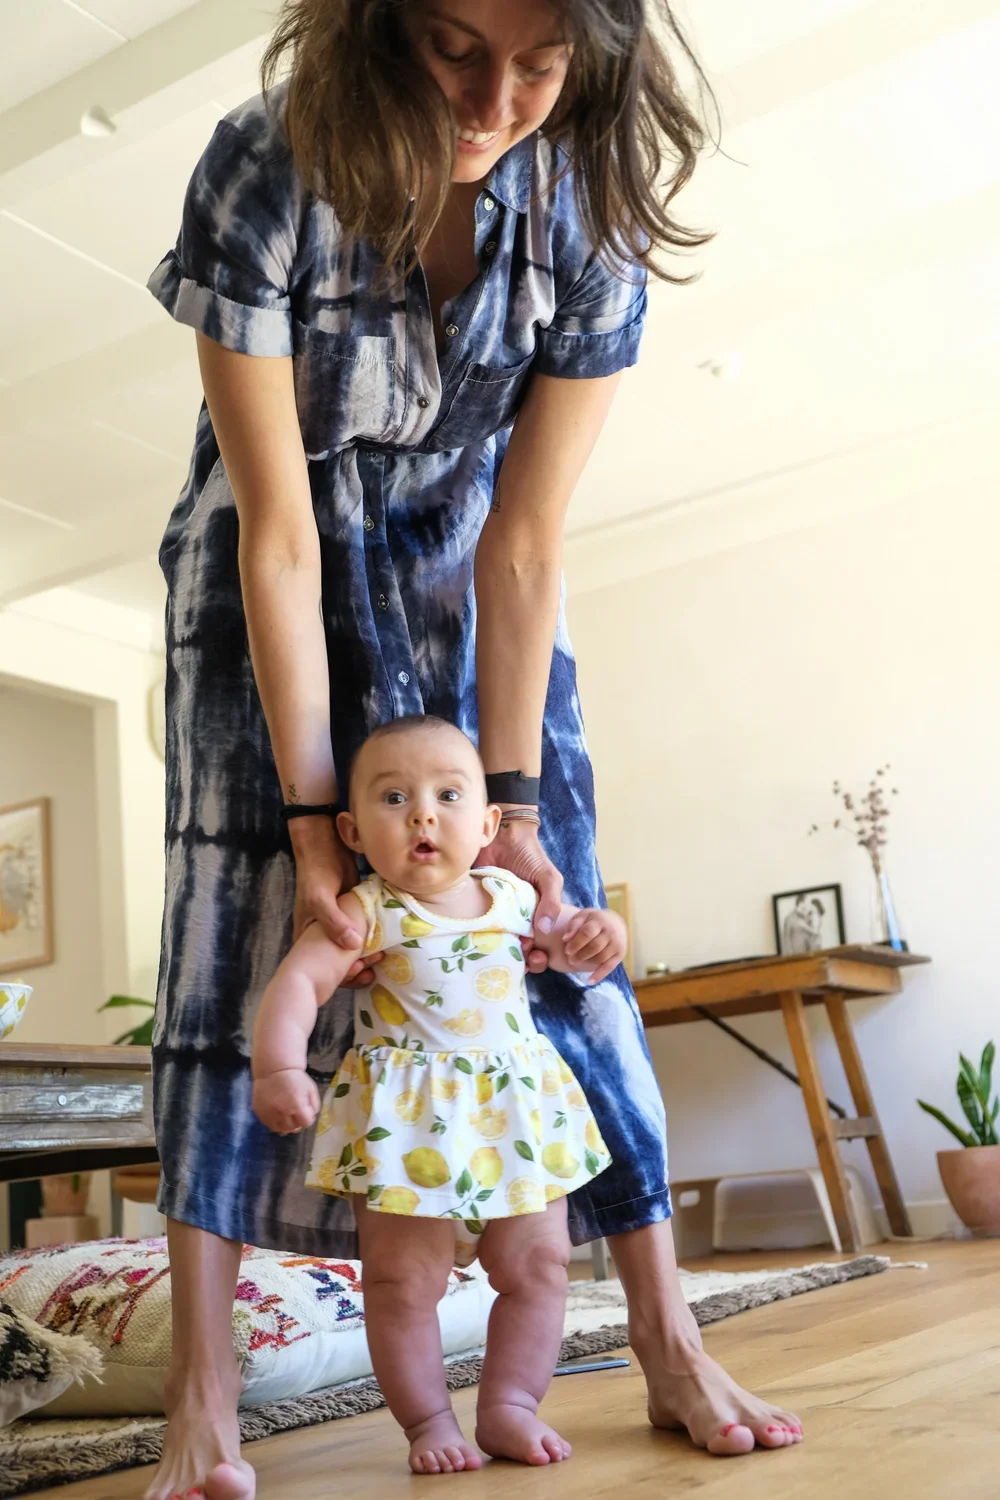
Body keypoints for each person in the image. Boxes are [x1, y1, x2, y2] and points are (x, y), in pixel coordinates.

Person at [144, 2, 803, 1495]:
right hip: (267, 574)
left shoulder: (587, 210)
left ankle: (667, 1337)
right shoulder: (267, 165)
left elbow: (525, 543)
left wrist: (505, 802)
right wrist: (316, 823)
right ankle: (206, 1404)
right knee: (229, 956)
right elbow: (283, 538)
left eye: (545, 65)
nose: (495, 100)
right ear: (378, 27)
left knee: (550, 933)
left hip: (473, 582)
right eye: (452, 48)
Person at [252, 715, 625, 1473]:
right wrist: (278, 1067)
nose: (423, 813)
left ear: (488, 823)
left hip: (515, 1115)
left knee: (540, 1265)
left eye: (448, 795)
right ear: (353, 832)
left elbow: (578, 946)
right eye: (395, 798)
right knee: (401, 1282)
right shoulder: (365, 909)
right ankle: (428, 1422)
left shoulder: (514, 897)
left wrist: (602, 930)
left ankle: (510, 1405)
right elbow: (298, 985)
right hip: (407, 1127)